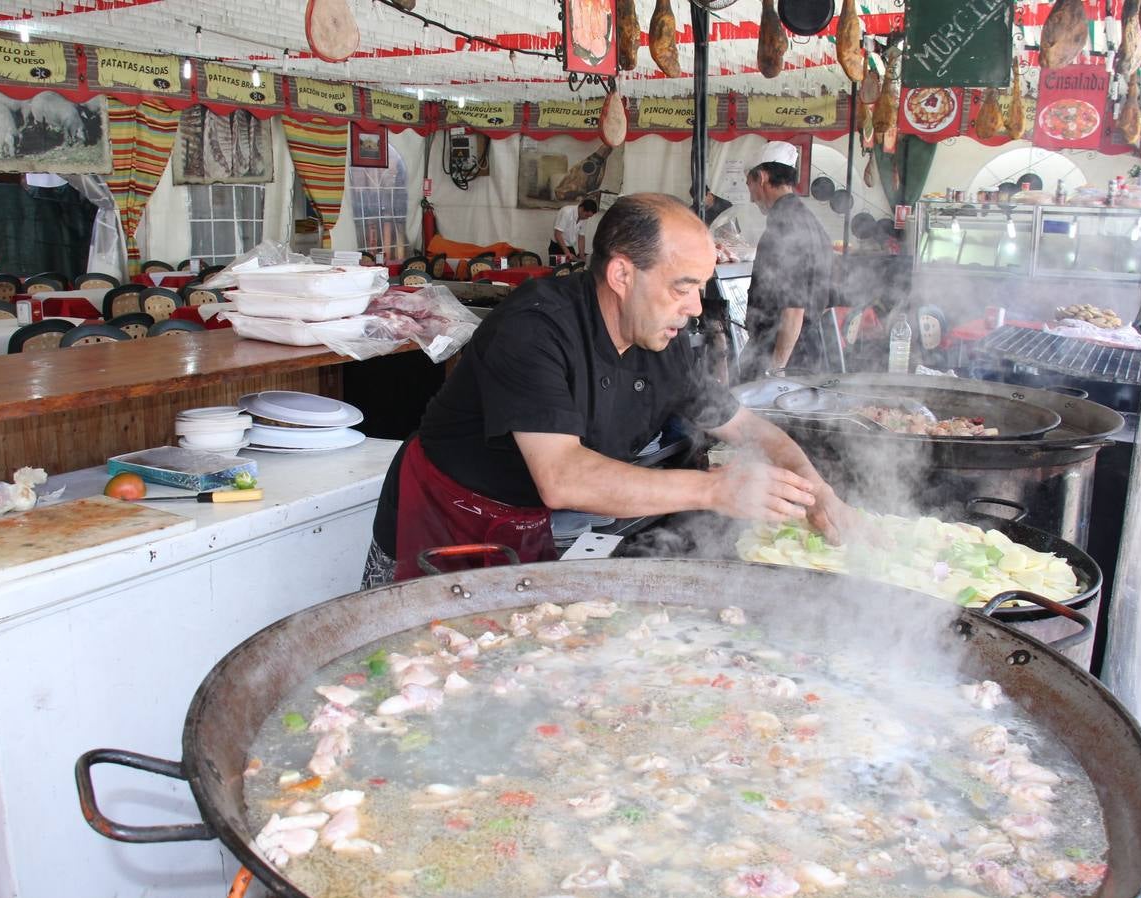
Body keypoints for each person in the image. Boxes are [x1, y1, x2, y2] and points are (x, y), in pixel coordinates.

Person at [363, 192, 850, 587]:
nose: (697, 308)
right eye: (682, 288)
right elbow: (563, 478)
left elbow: (746, 427)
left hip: (526, 519)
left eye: (700, 288)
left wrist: (817, 489)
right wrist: (717, 489)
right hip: (443, 511)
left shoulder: (664, 340)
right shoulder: (535, 327)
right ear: (621, 274)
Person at [744, 142, 834, 377]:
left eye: (749, 184)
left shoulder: (784, 227)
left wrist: (777, 369)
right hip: (808, 351)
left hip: (783, 354)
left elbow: (793, 309)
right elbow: (822, 300)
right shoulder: (811, 222)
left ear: (762, 177)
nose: (751, 197)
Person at [550, 196, 599, 261]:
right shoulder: (566, 212)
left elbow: (581, 236)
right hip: (557, 246)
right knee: (560, 270)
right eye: (587, 215)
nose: (587, 218)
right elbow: (557, 234)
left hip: (569, 247)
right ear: (581, 208)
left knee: (575, 267)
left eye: (589, 217)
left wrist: (582, 256)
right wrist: (567, 253)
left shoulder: (584, 218)